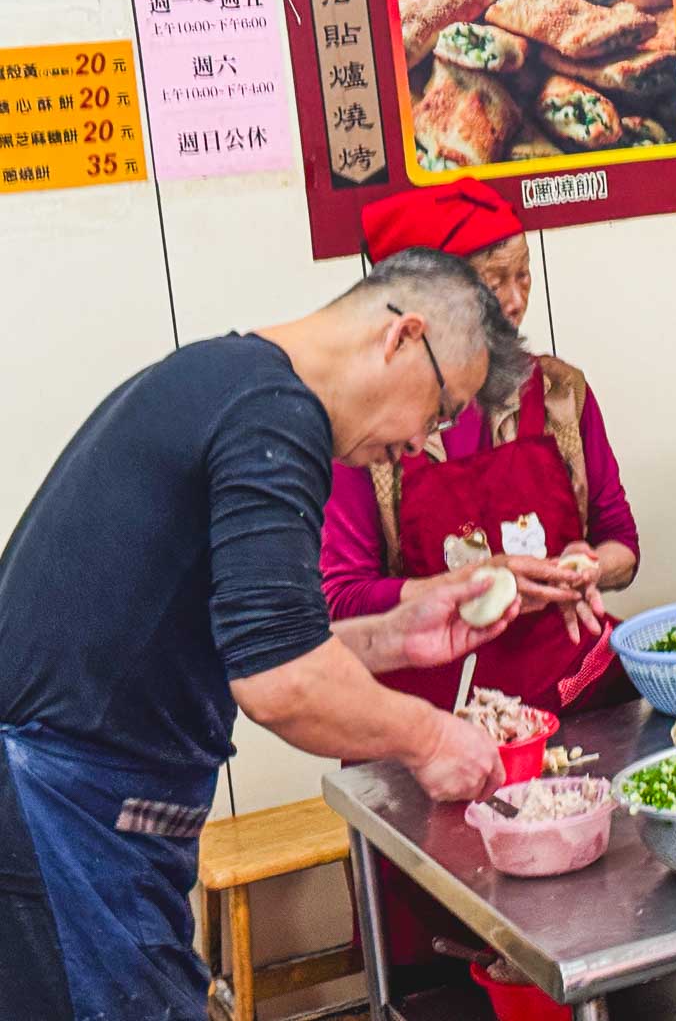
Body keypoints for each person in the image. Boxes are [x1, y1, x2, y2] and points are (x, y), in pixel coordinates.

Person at [0, 249, 534, 1021]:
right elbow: (280, 684)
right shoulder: (272, 413)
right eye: (443, 410)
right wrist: (431, 737)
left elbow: (249, 642)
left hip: (87, 818)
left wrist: (392, 636)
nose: (426, 442)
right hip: (57, 819)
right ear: (401, 337)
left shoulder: (233, 381)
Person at [321, 179, 641, 976]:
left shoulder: (561, 395)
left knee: (604, 944)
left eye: (522, 275)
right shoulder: (368, 433)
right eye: (490, 282)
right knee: (459, 966)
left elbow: (622, 541)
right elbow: (339, 600)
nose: (514, 300)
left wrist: (586, 566)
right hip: (443, 749)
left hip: (576, 722)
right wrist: (466, 587)